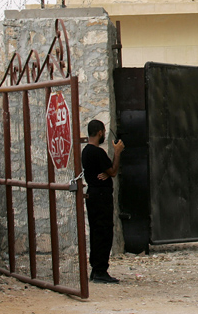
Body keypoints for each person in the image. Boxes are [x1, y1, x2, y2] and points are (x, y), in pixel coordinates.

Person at [81, 119, 124, 284]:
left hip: (93, 194)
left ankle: (96, 268)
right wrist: (117, 152)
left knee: (96, 231)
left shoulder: (86, 151)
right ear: (100, 133)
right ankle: (100, 270)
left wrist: (106, 172)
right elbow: (113, 171)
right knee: (104, 232)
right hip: (101, 197)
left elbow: (105, 171)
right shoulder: (98, 152)